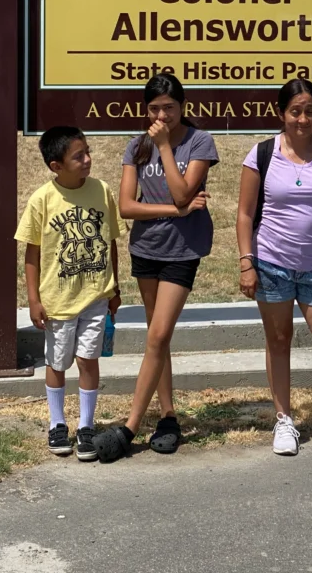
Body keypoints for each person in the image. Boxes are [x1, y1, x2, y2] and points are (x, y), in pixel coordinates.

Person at [92, 74, 219, 463]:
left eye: (169, 107)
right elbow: (127, 207)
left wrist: (165, 146)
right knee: (156, 338)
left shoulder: (199, 141)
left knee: (159, 333)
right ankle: (167, 417)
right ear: (144, 109)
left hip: (183, 249)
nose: (161, 115)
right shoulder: (136, 146)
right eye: (154, 109)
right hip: (147, 247)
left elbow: (184, 189)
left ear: (182, 105)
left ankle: (130, 425)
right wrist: (174, 211)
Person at [236, 79, 312, 455]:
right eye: (295, 111)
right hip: (272, 262)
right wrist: (246, 263)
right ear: (281, 114)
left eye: (310, 111)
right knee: (278, 342)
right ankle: (284, 420)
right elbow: (244, 214)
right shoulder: (261, 154)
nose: (303, 119)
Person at [15, 126, 126, 461]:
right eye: (79, 156)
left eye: (88, 151)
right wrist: (34, 299)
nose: (88, 160)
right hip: (58, 302)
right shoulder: (42, 200)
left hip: (95, 295)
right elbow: (32, 253)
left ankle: (87, 426)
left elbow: (110, 243)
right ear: (56, 165)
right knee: (57, 361)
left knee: (88, 359)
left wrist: (115, 287)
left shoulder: (102, 191)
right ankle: (57, 423)